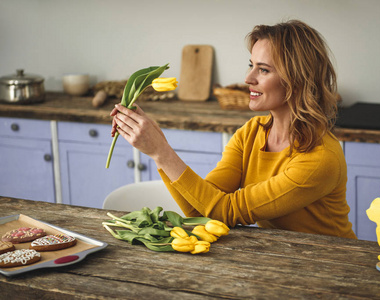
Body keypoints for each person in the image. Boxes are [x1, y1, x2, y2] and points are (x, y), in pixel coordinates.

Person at [110, 19, 357, 239]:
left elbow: (224, 211)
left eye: (263, 69)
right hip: (279, 258)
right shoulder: (252, 132)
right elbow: (202, 210)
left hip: (332, 267)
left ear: (297, 78)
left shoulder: (321, 157)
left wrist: (162, 152)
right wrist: (157, 147)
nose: (248, 79)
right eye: (251, 65)